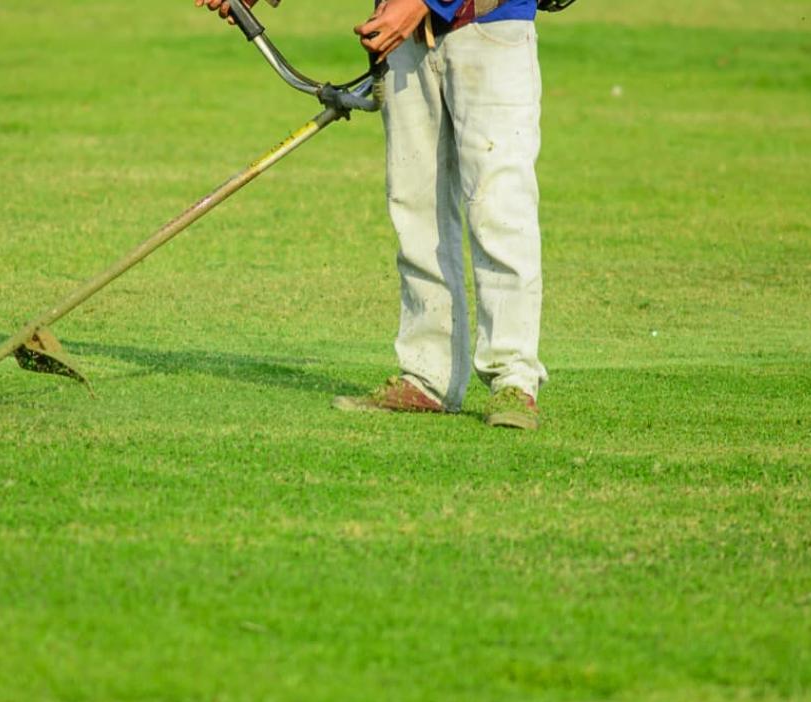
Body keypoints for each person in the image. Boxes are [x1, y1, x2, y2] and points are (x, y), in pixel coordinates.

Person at [196, 0, 547, 430]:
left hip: (488, 26)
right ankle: (426, 375)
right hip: (402, 42)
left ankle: (513, 377)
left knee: (499, 207)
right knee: (414, 206)